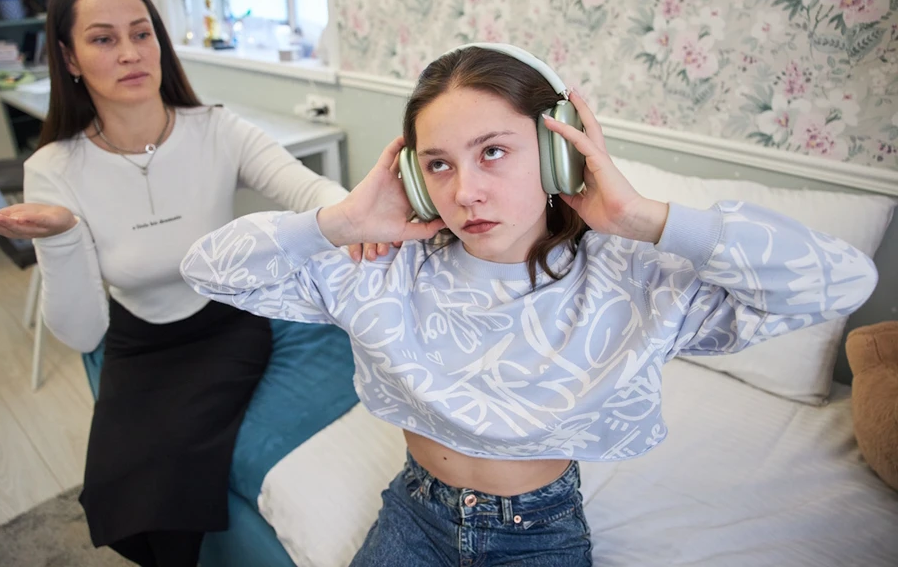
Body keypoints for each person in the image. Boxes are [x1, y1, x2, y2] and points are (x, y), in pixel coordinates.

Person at [179, 44, 878, 566]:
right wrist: (340, 221)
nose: (465, 192)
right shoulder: (385, 268)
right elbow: (209, 272)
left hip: (539, 534)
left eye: (493, 152)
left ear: (556, 154)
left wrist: (643, 217)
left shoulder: (635, 279)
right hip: (415, 514)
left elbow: (842, 281)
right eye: (439, 164)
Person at [0, 0, 385, 567]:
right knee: (117, 497)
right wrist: (61, 237)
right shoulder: (54, 168)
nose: (130, 52)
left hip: (227, 322)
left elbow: (307, 188)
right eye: (104, 38)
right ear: (70, 57)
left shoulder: (216, 130)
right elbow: (82, 335)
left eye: (142, 33)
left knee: (170, 495)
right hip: (138, 341)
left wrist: (355, 219)